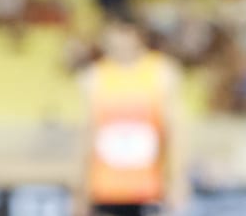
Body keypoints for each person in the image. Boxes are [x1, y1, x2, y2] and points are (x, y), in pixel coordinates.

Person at [77, 15, 186, 216]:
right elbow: (88, 136)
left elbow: (172, 132)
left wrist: (176, 180)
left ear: (137, 35)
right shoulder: (95, 76)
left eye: (124, 33)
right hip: (105, 188)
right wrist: (82, 190)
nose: (118, 41)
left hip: (149, 188)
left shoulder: (161, 72)